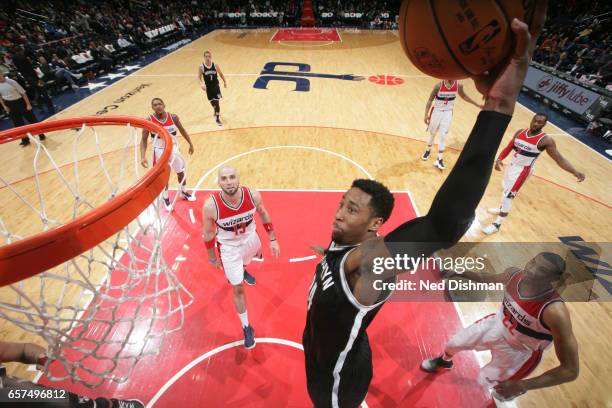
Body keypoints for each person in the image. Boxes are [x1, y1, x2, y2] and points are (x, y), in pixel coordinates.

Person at [302, 2, 548, 407]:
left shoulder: (370, 262)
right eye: (342, 203)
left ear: (375, 226)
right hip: (338, 349)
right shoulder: (346, 246)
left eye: (352, 209)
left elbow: (442, 225)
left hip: (335, 382)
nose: (339, 212)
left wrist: (498, 107)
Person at [421, 252, 579, 401]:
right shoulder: (514, 275)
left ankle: (508, 392)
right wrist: (459, 272)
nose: (532, 269)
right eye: (533, 262)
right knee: (453, 344)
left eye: (542, 270)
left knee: (486, 385)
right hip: (496, 326)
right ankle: (444, 361)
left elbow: (570, 370)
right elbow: (486, 278)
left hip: (519, 352)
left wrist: (524, 385)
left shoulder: (554, 312)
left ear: (552, 279)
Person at [202, 166, 280, 349]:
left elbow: (263, 212)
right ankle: (246, 327)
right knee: (238, 288)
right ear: (218, 182)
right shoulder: (211, 206)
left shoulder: (252, 195)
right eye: (224, 178)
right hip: (229, 248)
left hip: (250, 240)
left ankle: (243, 269)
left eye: (232, 177)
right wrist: (212, 256)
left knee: (245, 263)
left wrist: (273, 238)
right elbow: (207, 232)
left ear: (239, 178)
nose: (228, 181)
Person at [482, 113, 585, 235]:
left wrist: (574, 172)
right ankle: (501, 208)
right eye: (535, 120)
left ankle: (497, 224)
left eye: (540, 122)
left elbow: (559, 159)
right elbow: (509, 147)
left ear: (544, 124)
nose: (536, 124)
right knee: (505, 190)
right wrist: (499, 159)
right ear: (531, 120)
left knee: (509, 196)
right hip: (512, 166)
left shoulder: (546, 140)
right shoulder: (520, 132)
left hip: (523, 171)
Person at [0, 340, 143, 408]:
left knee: (60, 401)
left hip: (11, 393)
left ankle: (106, 406)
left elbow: (23, 348)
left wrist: (42, 357)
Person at [140, 97, 196, 211]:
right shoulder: (149, 120)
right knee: (164, 176)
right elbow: (144, 139)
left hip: (174, 149)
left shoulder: (173, 117)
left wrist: (190, 143)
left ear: (164, 105)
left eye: (160, 104)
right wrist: (142, 156)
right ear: (152, 108)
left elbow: (182, 130)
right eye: (155, 105)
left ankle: (183, 192)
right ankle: (166, 198)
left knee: (181, 172)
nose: (158, 106)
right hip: (159, 151)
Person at [422, 79, 482, 170]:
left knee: (443, 135)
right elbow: (430, 100)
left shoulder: (458, 85)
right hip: (436, 112)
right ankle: (427, 150)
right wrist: (426, 114)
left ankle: (439, 159)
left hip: (447, 112)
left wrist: (477, 104)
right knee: (433, 134)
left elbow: (464, 96)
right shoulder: (438, 86)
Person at [0, 72, 45, 146]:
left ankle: (41, 135)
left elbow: (23, 93)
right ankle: (25, 140)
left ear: (1, 74)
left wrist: (28, 104)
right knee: (17, 123)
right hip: (9, 104)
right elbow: (0, 97)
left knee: (32, 119)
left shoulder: (12, 82)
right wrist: (4, 106)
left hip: (20, 102)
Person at [198, 50, 227, 126]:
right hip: (208, 88)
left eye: (209, 56)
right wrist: (201, 84)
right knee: (212, 102)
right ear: (204, 57)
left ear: (211, 57)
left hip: (216, 86)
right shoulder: (201, 67)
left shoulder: (215, 65)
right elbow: (199, 77)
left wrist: (224, 81)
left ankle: (217, 118)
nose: (207, 58)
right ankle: (215, 109)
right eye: (206, 56)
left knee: (217, 102)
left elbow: (221, 74)